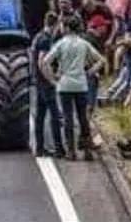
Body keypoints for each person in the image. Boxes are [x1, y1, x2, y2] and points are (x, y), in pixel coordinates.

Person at [44, 16, 105, 161]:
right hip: (81, 84)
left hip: (65, 84)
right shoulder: (83, 44)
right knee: (83, 117)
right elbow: (102, 60)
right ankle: (87, 150)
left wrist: (53, 78)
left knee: (68, 118)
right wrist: (90, 72)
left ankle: (70, 151)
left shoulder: (61, 44)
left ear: (66, 28)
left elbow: (46, 61)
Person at [31, 12, 65, 158]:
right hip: (45, 82)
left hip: (38, 81)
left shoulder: (38, 36)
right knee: (55, 115)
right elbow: (42, 62)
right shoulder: (45, 40)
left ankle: (39, 148)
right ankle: (59, 148)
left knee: (40, 115)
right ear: (55, 24)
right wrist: (52, 80)